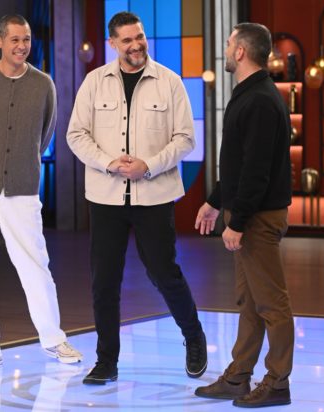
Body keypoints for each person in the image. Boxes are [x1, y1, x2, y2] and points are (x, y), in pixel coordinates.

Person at [67, 11, 206, 385]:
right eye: (127, 40)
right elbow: (76, 134)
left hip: (155, 195)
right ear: (113, 44)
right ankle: (106, 361)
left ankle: (194, 336)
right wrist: (109, 162)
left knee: (164, 272)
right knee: (104, 281)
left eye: (139, 37)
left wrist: (149, 166)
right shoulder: (94, 82)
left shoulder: (170, 82)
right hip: (106, 197)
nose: (136, 45)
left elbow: (185, 138)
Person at [0, 14, 82, 372]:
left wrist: (20, 164)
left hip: (22, 190)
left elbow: (45, 134)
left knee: (35, 265)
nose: (22, 46)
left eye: (26, 40)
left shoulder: (43, 85)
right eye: (15, 40)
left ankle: (54, 340)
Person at [194, 23, 293, 408]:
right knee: (250, 302)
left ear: (240, 52)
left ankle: (278, 382)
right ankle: (238, 376)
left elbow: (256, 171)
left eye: (229, 42)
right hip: (247, 213)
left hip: (258, 218)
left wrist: (236, 222)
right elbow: (237, 162)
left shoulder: (261, 100)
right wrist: (215, 201)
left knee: (272, 303)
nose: (225, 48)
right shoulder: (249, 94)